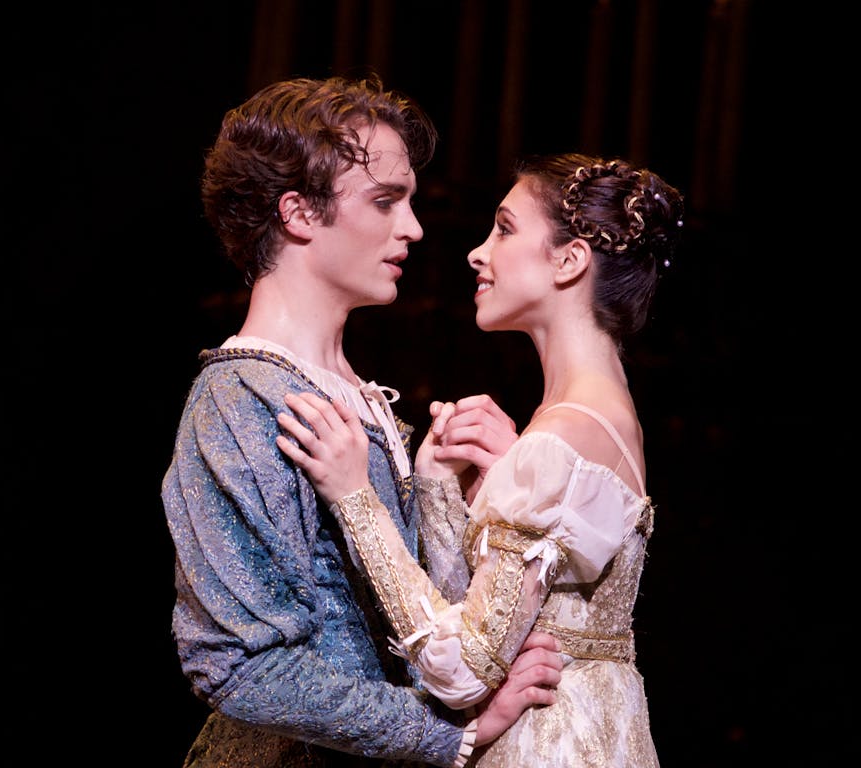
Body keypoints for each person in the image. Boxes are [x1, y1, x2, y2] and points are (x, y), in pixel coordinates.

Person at [161, 74, 564, 768]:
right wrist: (452, 733)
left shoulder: (367, 402)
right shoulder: (242, 400)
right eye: (385, 201)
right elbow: (237, 665)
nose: (414, 226)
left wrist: (446, 488)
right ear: (298, 212)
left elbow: (422, 624)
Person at [277, 152, 684, 767]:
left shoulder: (564, 438)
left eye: (505, 229)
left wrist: (355, 497)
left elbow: (463, 671)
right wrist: (449, 483)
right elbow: (484, 616)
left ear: (569, 261)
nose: (478, 251)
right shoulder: (594, 418)